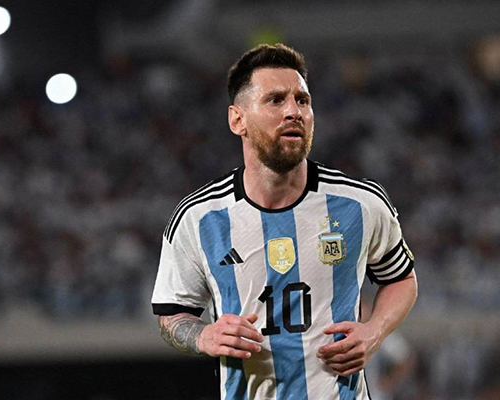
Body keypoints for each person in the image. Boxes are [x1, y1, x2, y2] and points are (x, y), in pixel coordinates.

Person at [152, 43, 418, 400]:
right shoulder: (198, 218)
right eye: (275, 100)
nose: (294, 111)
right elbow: (172, 315)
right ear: (237, 120)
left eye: (302, 100)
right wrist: (204, 336)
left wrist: (375, 331)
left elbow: (401, 279)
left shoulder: (361, 204)